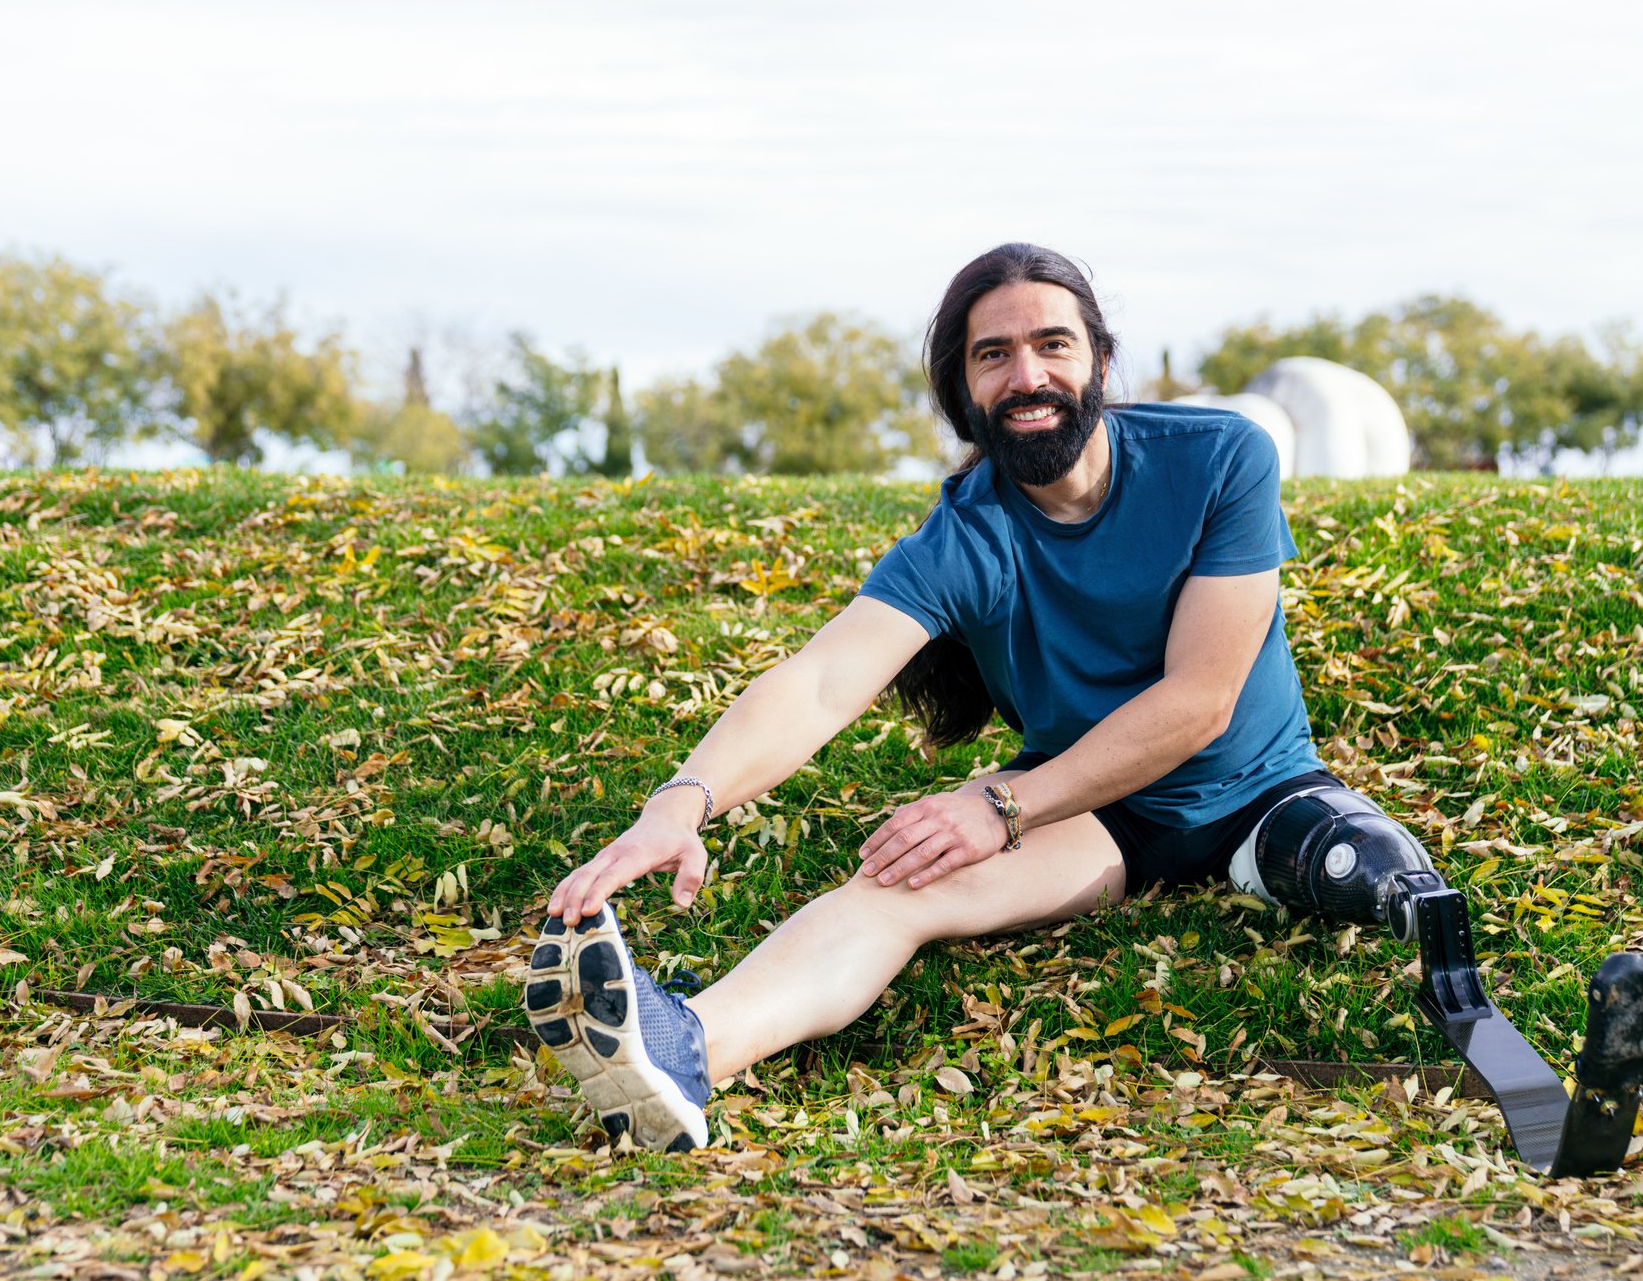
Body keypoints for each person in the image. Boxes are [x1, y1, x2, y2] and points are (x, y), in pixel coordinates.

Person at [524, 242, 1440, 1152]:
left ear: (1100, 361)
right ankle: (683, 1050)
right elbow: (818, 682)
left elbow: (1198, 701)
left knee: (1364, 865)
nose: (1026, 374)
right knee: (895, 887)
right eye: (992, 354)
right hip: (1095, 808)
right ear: (963, 390)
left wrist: (1002, 805)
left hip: (1257, 789)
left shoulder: (1217, 459)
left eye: (1052, 344)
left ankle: (1293, 878)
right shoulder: (964, 534)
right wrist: (681, 803)